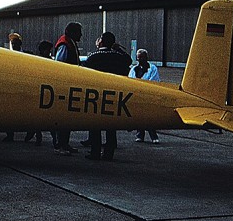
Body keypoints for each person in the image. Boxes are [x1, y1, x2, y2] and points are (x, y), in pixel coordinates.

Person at [84, 31, 132, 161]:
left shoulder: (93, 57)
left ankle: (95, 151)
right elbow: (129, 60)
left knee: (95, 125)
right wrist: (119, 49)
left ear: (101, 41)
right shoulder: (119, 57)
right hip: (114, 94)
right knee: (111, 126)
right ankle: (109, 153)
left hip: (96, 94)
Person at [53, 22, 82, 155]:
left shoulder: (69, 42)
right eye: (79, 32)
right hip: (65, 86)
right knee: (64, 117)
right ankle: (60, 145)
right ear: (72, 33)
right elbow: (60, 66)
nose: (81, 35)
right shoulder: (64, 45)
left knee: (68, 118)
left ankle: (65, 143)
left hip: (70, 84)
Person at [24, 40, 53, 146]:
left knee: (37, 117)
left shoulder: (36, 60)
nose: (49, 52)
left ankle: (34, 134)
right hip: (45, 92)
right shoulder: (48, 61)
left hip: (41, 91)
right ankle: (52, 140)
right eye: (48, 50)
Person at [129, 48, 161, 143]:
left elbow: (154, 80)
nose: (140, 60)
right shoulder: (134, 69)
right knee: (139, 116)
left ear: (146, 58)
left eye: (142, 57)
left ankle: (154, 136)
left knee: (149, 116)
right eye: (138, 58)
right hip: (137, 94)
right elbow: (130, 80)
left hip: (148, 95)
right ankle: (140, 135)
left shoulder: (152, 68)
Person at [3, 32, 23, 142]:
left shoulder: (25, 56)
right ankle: (10, 135)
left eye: (15, 43)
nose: (14, 45)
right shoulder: (8, 56)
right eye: (12, 43)